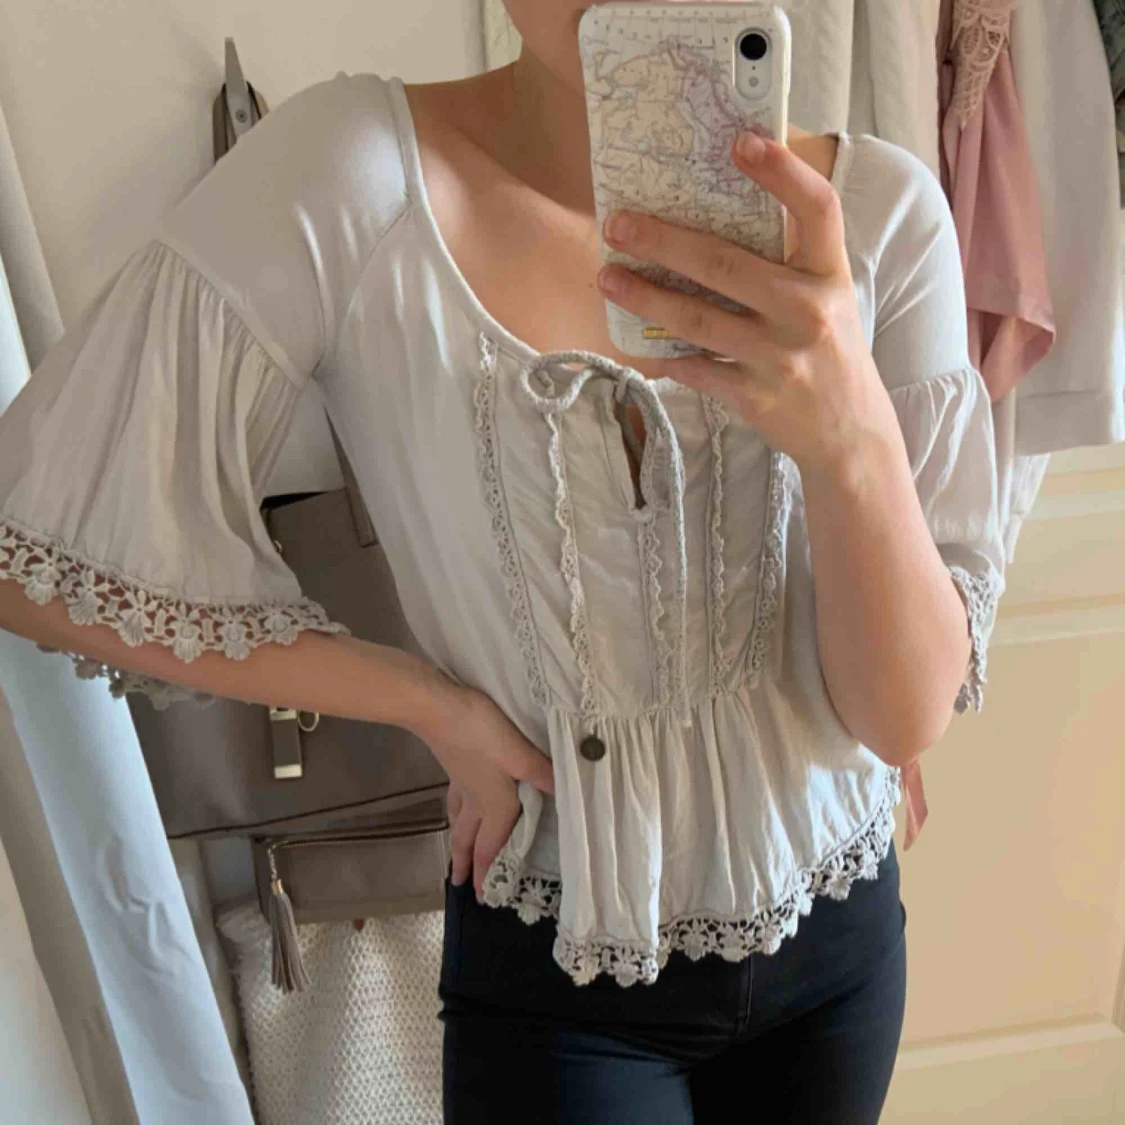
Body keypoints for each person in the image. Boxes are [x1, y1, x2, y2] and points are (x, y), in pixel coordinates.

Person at [0, 2, 1007, 1121]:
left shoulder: (882, 215)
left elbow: (900, 719)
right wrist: (428, 705)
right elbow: (34, 547)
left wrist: (850, 435)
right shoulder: (358, 180)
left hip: (839, 952)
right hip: (559, 973)